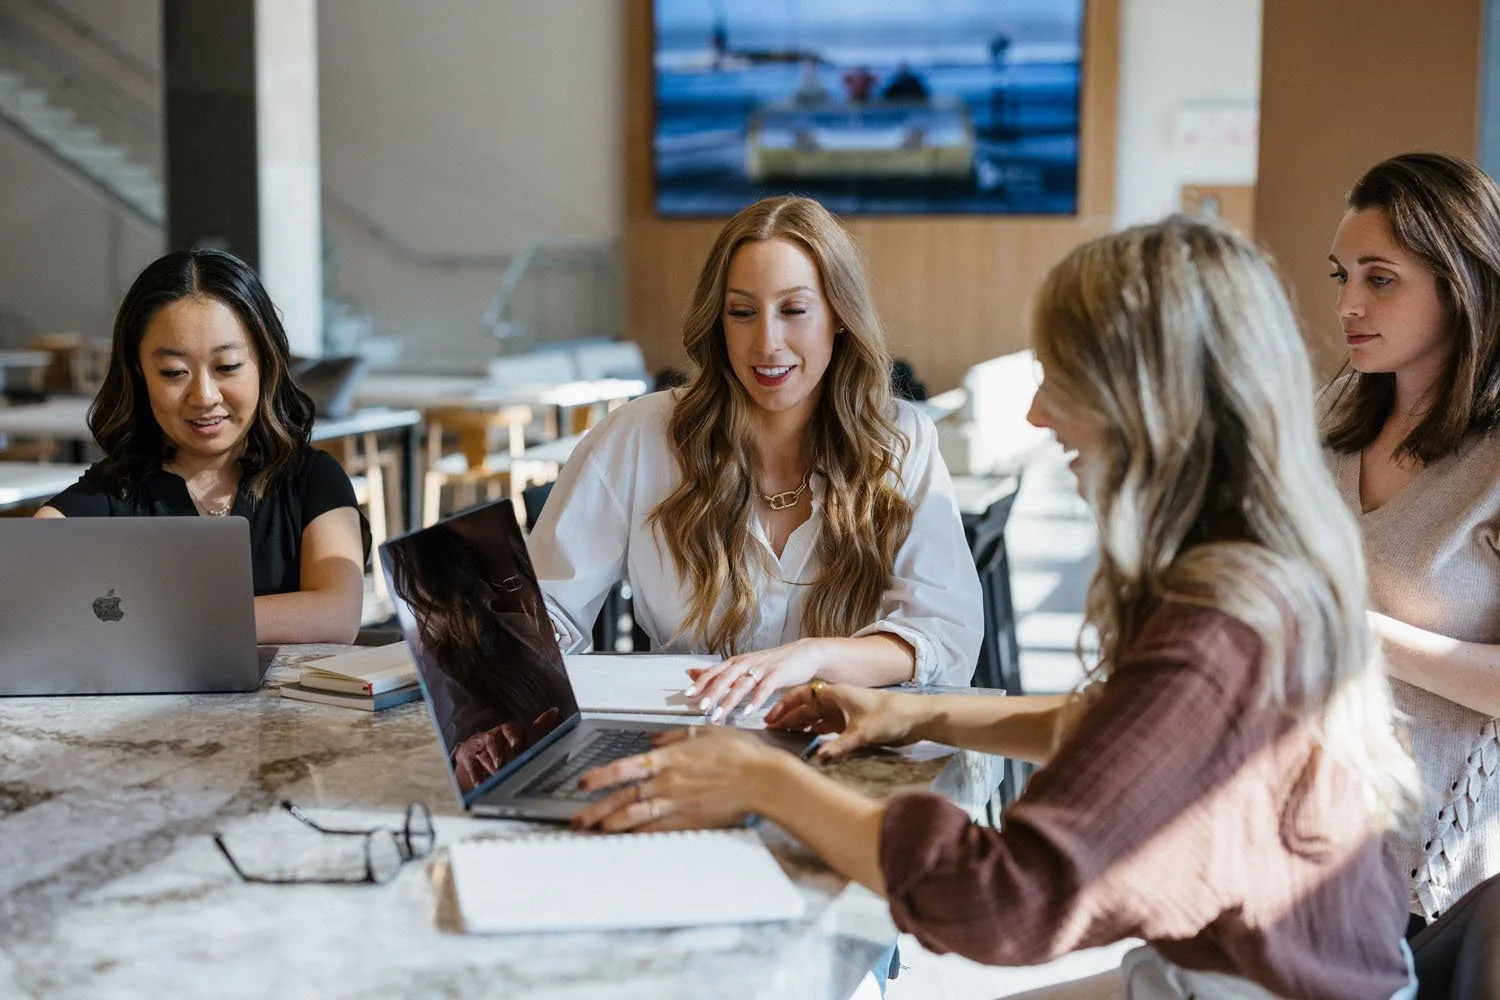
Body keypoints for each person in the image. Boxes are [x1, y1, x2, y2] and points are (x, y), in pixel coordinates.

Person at [575, 216, 1422, 999]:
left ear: (1147, 399)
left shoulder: (1217, 628)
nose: (1034, 411)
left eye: (1060, 378)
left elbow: (1000, 902)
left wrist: (764, 781)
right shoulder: (1257, 575)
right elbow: (1125, 729)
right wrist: (912, 714)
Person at [527, 195, 982, 720]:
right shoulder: (639, 435)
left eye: (793, 310)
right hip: (688, 744)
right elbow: (546, 609)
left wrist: (813, 656)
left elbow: (944, 637)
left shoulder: (901, 441)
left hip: (841, 746)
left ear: (838, 315)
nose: (766, 342)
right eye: (742, 313)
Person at [1322, 151, 1500, 928]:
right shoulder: (1332, 415)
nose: (1348, 304)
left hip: (1428, 880)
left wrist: (1355, 633)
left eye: (1379, 278)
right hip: (1290, 839)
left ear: (1463, 284)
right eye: (1342, 276)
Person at [36, 249, 365, 646]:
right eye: (174, 373)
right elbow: (27, 579)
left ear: (266, 362)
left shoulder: (313, 481)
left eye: (227, 367)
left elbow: (336, 616)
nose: (204, 396)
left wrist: (158, 621)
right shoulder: (115, 491)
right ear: (140, 374)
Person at [384, 512, 575, 793]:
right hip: (552, 775)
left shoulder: (557, 529)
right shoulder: (441, 616)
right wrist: (470, 758)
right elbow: (461, 751)